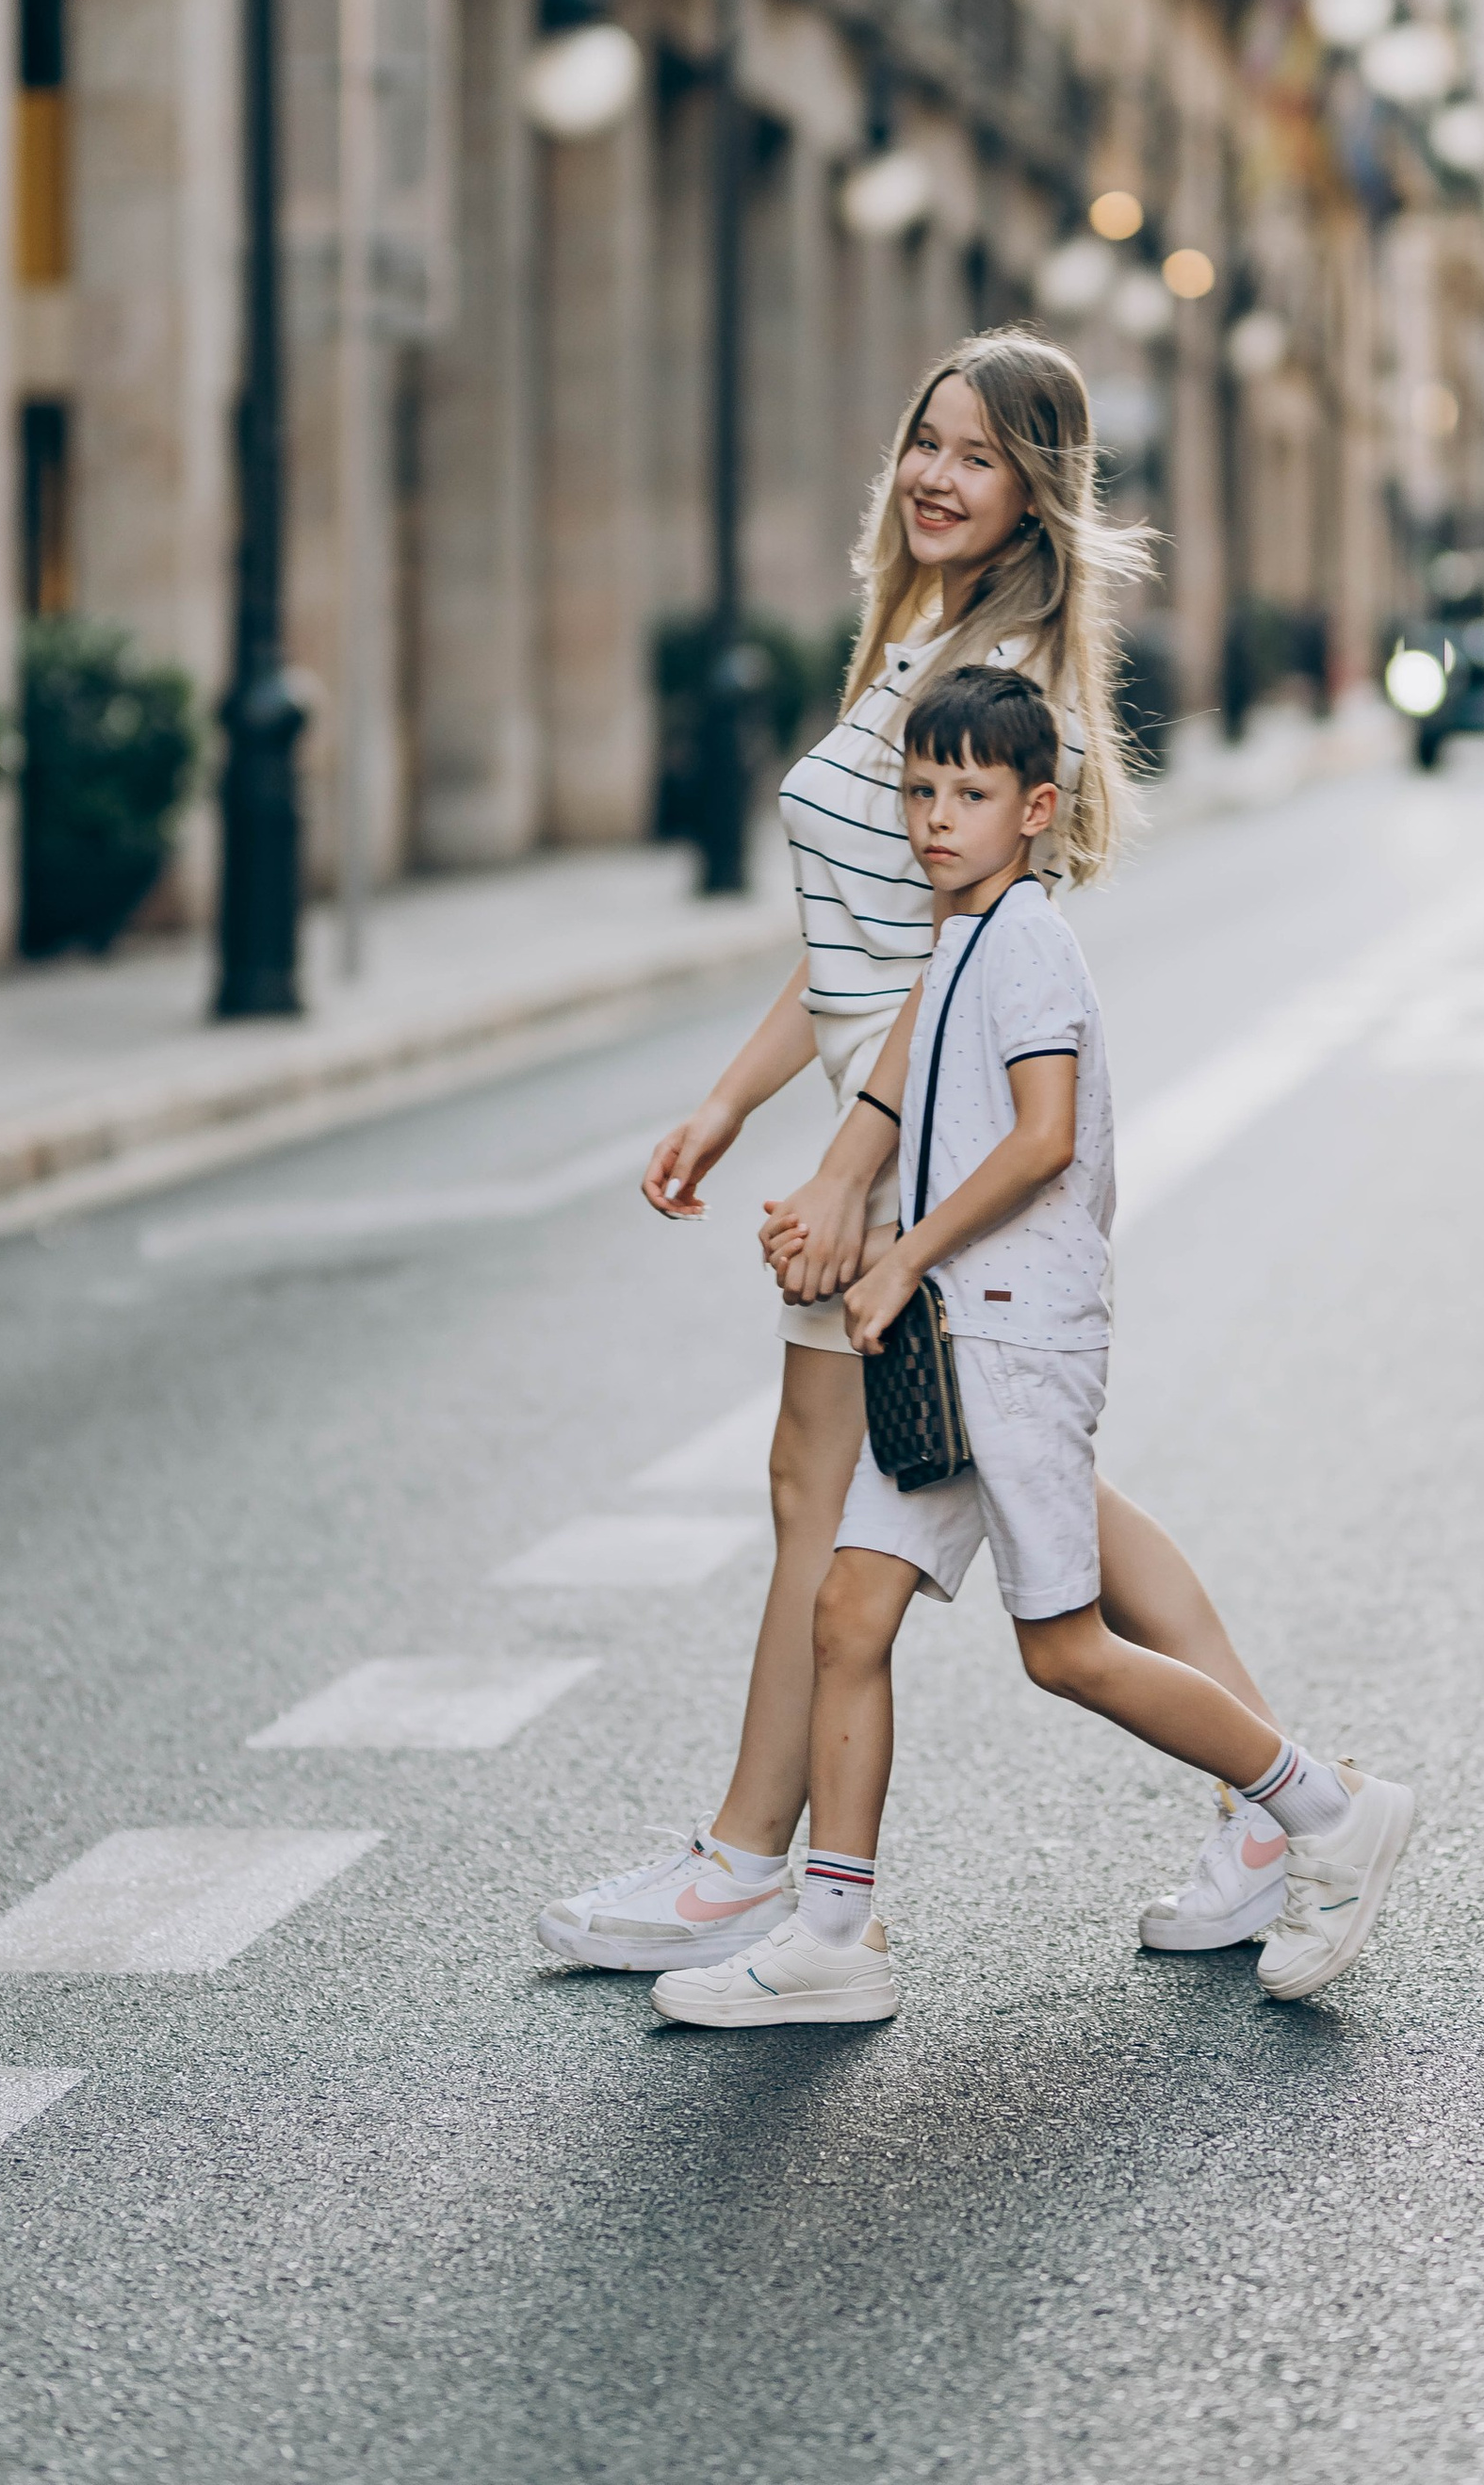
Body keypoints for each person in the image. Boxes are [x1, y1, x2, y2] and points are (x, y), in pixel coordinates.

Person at [535, 330, 1309, 1975]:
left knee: (833, 1483)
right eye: (925, 442)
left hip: (918, 1127)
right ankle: (1271, 1797)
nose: (938, 475)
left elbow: (945, 962)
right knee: (996, 1467)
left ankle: (750, 1865)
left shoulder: (1005, 673)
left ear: (1039, 489)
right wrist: (740, 1098)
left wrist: (847, 1173)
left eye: (980, 455)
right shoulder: (916, 632)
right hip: (868, 1109)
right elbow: (851, 932)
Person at [653, 666, 1417, 2025]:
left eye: (972, 794)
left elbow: (1046, 1136)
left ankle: (1327, 1810)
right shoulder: (957, 939)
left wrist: (898, 1253)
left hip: (1012, 1340)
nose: (938, 818)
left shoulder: (1024, 943)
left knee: (1064, 1650)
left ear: (1037, 808)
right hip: (952, 1341)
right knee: (850, 1608)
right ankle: (833, 1937)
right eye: (921, 791)